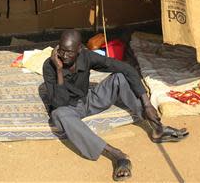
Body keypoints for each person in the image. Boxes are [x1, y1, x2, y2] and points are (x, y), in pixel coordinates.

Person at [43, 30, 189, 181]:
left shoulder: (86, 56)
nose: (64, 56)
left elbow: (126, 69)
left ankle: (157, 129)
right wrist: (59, 70)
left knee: (119, 77)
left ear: (79, 49)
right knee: (59, 114)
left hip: (88, 100)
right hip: (68, 109)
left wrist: (147, 104)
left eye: (69, 52)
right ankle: (117, 155)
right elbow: (59, 103)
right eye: (61, 50)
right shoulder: (50, 66)